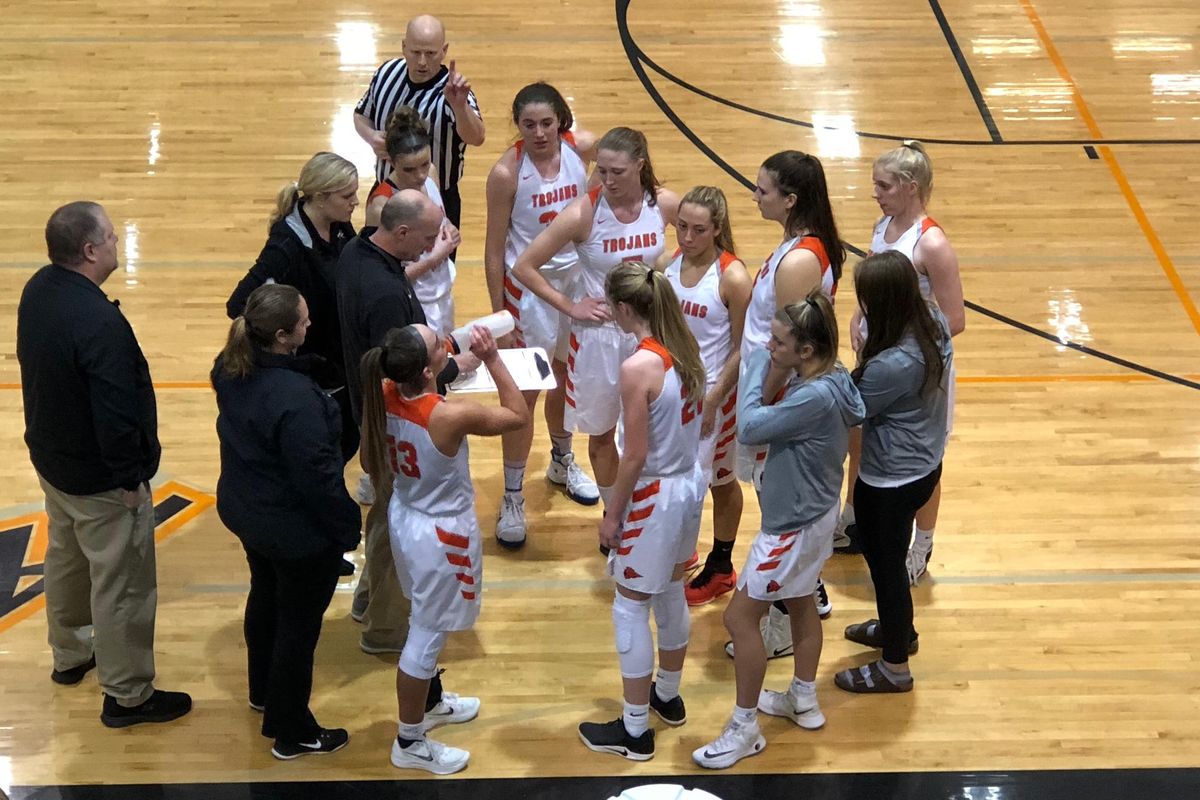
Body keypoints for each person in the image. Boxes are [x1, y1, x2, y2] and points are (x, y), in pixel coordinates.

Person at [17, 201, 191, 728]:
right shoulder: (98, 321)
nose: (118, 243)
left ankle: (70, 655)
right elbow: (116, 412)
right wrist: (130, 479)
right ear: (90, 251)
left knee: (66, 558)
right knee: (122, 584)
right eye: (112, 237)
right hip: (100, 478)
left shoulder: (38, 289)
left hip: (54, 459)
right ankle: (129, 695)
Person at [693, 295, 863, 769]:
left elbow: (749, 427)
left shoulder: (813, 395)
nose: (769, 345)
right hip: (816, 514)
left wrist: (748, 371)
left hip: (790, 528)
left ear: (806, 349)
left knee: (739, 620)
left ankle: (745, 728)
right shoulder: (835, 376)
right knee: (802, 601)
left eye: (779, 341)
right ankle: (803, 698)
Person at [359, 323, 528, 774]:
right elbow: (517, 415)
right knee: (427, 632)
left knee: (422, 615)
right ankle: (410, 741)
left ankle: (430, 702)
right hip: (440, 534)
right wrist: (493, 358)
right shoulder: (446, 416)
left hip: (406, 513)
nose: (444, 342)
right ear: (430, 368)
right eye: (439, 344)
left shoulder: (383, 388)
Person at [212, 284, 362, 760]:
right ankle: (292, 729)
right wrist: (346, 529)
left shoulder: (230, 367)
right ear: (282, 335)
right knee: (298, 627)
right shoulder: (297, 399)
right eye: (303, 320)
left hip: (248, 512)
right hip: (292, 531)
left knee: (266, 596)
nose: (310, 324)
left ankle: (263, 692)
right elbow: (317, 479)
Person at [512, 127, 680, 521]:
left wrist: (674, 277)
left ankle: (648, 513)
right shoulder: (583, 212)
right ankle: (616, 518)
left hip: (653, 337)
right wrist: (570, 306)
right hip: (599, 338)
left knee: (653, 433)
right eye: (601, 170)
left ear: (640, 165)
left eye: (617, 171)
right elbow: (524, 266)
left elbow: (702, 242)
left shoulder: (665, 204)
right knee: (602, 436)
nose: (607, 180)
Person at [336, 190, 478, 654]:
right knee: (394, 520)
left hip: (375, 412)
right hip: (392, 420)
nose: (437, 242)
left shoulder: (359, 251)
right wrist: (459, 364)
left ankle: (369, 602)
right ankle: (387, 629)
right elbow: (404, 369)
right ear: (401, 233)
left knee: (384, 516)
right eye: (429, 235)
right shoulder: (383, 295)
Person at [578, 262, 705, 761]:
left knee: (630, 604)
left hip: (654, 494)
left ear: (625, 309)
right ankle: (667, 697)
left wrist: (613, 514)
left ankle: (633, 732)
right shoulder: (685, 347)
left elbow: (633, 453)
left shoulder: (638, 368)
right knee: (671, 591)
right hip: (688, 485)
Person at [727, 150, 846, 660]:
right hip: (768, 390)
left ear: (791, 200)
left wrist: (762, 408)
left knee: (780, 507)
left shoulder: (800, 260)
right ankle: (801, 586)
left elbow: (786, 345)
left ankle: (783, 616)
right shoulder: (797, 245)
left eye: (763, 190)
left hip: (777, 398)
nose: (755, 196)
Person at [839, 141, 965, 585]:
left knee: (928, 459)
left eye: (884, 185)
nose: (875, 192)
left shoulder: (932, 243)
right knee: (862, 433)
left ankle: (922, 545)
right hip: (879, 357)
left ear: (911, 187)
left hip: (915, 371)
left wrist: (902, 352)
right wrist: (860, 314)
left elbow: (954, 319)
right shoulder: (885, 224)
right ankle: (853, 518)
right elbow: (876, 283)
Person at [483, 82, 600, 548]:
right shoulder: (506, 174)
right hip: (528, 295)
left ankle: (561, 458)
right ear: (517, 126)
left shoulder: (583, 148)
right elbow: (494, 252)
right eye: (528, 124)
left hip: (577, 286)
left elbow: (631, 160)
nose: (538, 132)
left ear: (561, 122)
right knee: (524, 397)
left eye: (546, 123)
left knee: (566, 380)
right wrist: (501, 318)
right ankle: (513, 494)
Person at [835, 251, 952, 694]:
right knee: (889, 567)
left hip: (889, 480)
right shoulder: (933, 323)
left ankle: (895, 667)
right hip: (924, 464)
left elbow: (850, 407)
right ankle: (898, 629)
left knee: (886, 571)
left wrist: (859, 353)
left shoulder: (891, 365)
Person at [227, 153, 361, 464]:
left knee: (347, 442)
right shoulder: (285, 247)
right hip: (314, 370)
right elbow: (239, 304)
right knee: (325, 454)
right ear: (320, 196)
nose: (355, 201)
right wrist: (286, 341)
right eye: (347, 196)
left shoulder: (339, 225)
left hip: (340, 359)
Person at [662, 186, 752, 606]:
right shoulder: (667, 265)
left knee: (719, 480)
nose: (687, 237)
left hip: (715, 396)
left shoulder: (732, 277)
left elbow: (742, 347)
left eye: (699, 230)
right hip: (672, 395)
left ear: (717, 229)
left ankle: (720, 564)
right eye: (681, 226)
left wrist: (715, 398)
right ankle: (683, 552)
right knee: (677, 479)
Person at [354, 14, 484, 233]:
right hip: (387, 191)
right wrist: (370, 136)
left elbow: (477, 137)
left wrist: (460, 107)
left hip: (437, 195)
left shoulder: (454, 91)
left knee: (439, 263)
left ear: (444, 50)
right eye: (416, 52)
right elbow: (361, 115)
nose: (422, 62)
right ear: (404, 47)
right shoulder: (386, 74)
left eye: (431, 53)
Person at [362, 108, 460, 336]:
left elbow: (438, 221)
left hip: (442, 292)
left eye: (424, 164)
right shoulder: (382, 206)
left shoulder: (431, 175)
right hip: (412, 301)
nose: (419, 175)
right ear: (391, 161)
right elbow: (384, 278)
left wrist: (448, 229)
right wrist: (435, 257)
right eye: (409, 169)